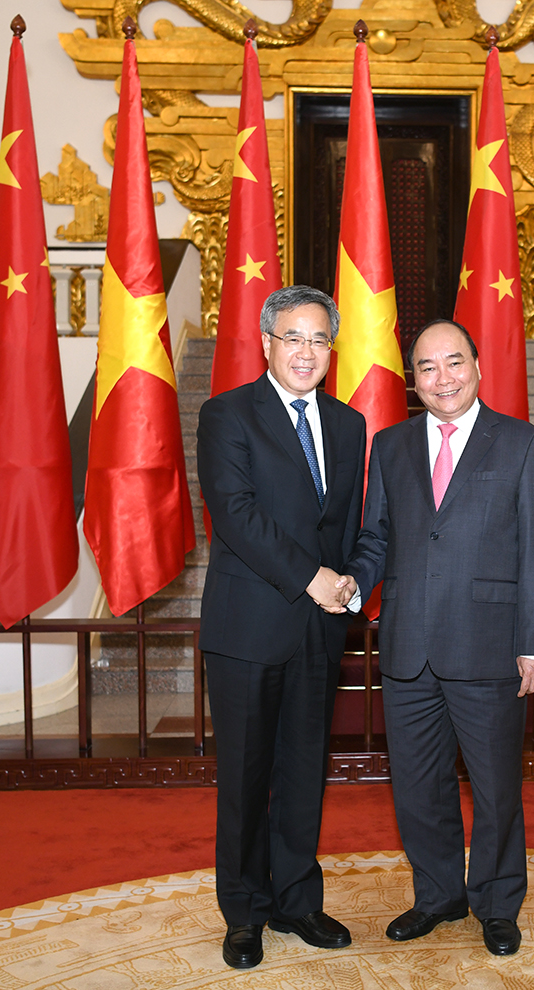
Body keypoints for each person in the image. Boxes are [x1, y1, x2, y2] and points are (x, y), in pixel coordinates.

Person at [340, 318, 534, 956]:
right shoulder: (390, 445)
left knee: (495, 788)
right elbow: (377, 537)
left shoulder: (522, 444)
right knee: (417, 787)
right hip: (407, 647)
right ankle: (437, 895)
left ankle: (497, 902)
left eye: (454, 362)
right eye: (428, 367)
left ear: (478, 367)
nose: (443, 378)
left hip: (489, 646)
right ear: (413, 380)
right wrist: (352, 584)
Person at [196, 285, 366, 970]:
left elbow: (345, 524)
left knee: (303, 771)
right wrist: (312, 577)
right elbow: (236, 514)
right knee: (245, 776)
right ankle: (244, 913)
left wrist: (348, 582)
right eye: (292, 337)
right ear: (266, 342)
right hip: (248, 626)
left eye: (318, 339)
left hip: (320, 630)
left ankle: (297, 900)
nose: (305, 351)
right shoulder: (227, 414)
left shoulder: (350, 424)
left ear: (331, 349)